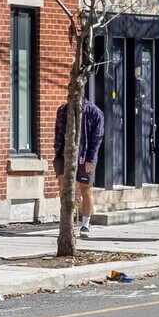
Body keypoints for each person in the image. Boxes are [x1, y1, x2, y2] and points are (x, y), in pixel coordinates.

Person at [53, 96, 105, 237]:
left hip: (85, 157)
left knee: (85, 188)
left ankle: (85, 225)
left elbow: (97, 137)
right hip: (64, 155)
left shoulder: (95, 112)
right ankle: (66, 221)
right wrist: (57, 155)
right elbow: (58, 133)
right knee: (63, 186)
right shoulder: (63, 110)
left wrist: (91, 159)